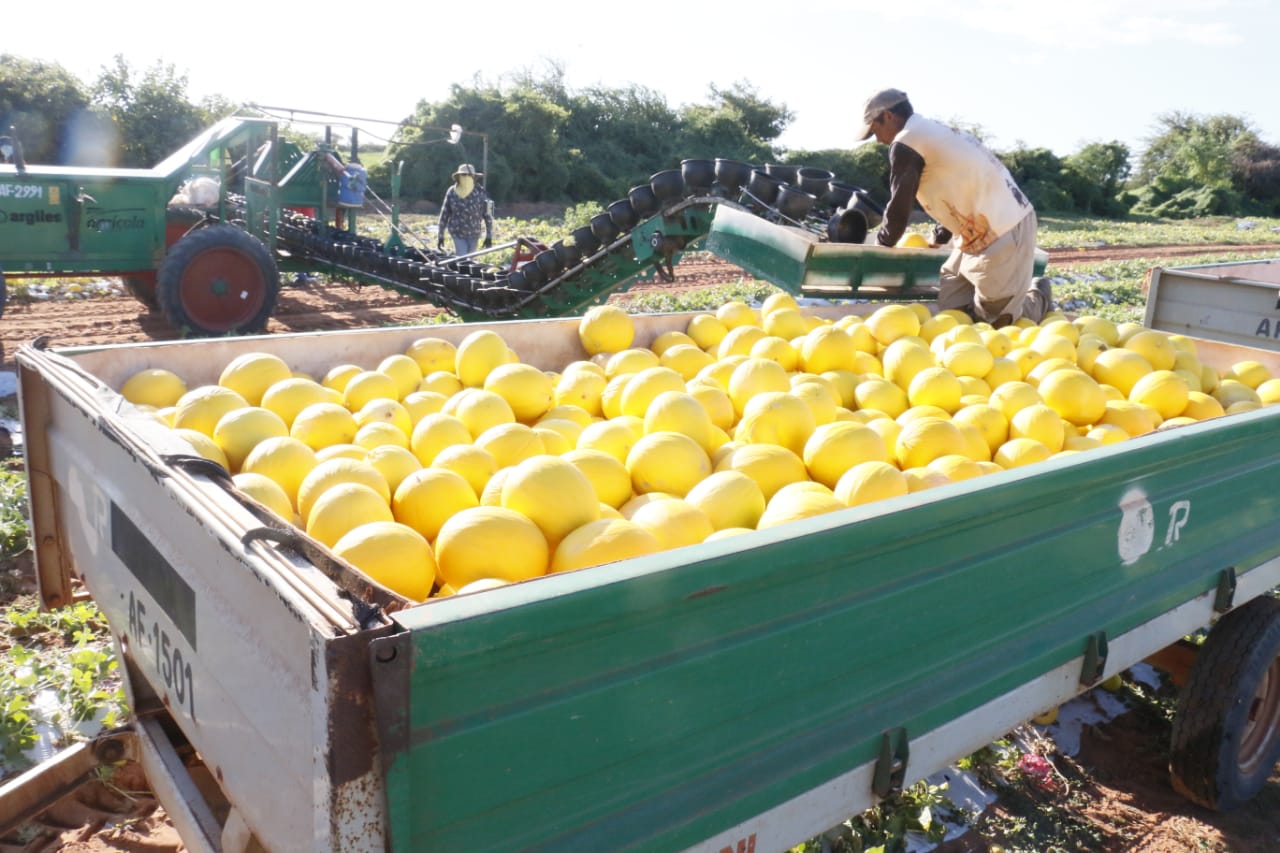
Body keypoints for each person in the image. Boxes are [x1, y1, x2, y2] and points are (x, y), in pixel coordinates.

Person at [856, 88, 1052, 326]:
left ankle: (1038, 294)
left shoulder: (906, 141)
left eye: (875, 130)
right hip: (976, 230)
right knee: (953, 308)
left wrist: (881, 246)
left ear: (887, 116)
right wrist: (941, 236)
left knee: (998, 322)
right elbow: (957, 188)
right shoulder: (933, 132)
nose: (878, 139)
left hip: (1004, 226)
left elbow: (899, 205)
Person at [437, 163, 494, 257]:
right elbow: (444, 214)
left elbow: (488, 216)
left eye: (469, 175)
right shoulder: (452, 192)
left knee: (470, 259)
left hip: (474, 233)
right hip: (457, 232)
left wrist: (489, 237)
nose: (466, 177)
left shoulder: (480, 192)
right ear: (459, 177)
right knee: (462, 257)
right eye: (464, 175)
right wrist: (440, 236)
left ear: (474, 177)